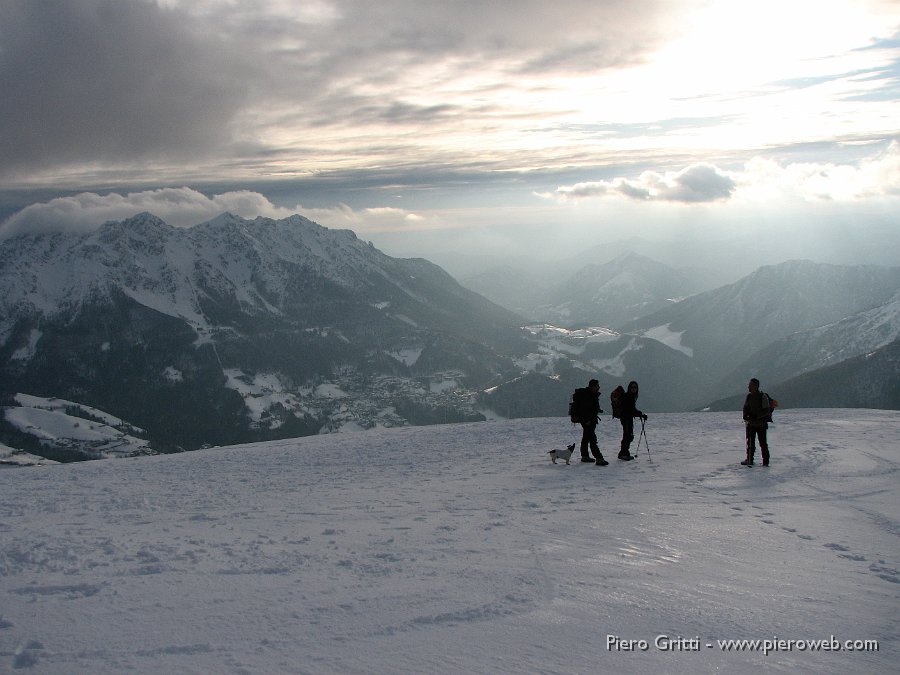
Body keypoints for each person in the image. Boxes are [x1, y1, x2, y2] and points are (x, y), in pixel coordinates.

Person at [575, 379, 608, 465]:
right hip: (588, 421)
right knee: (592, 439)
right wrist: (587, 420)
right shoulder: (589, 395)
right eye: (597, 386)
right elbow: (585, 409)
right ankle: (599, 458)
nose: (598, 387)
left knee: (586, 438)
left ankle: (585, 456)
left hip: (588, 420)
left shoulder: (589, 395)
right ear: (593, 386)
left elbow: (589, 408)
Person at [742, 378, 770, 467]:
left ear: (756, 386)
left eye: (750, 385)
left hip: (760, 424)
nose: (748, 387)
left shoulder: (763, 397)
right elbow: (745, 407)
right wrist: (745, 415)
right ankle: (750, 459)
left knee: (762, 443)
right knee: (750, 442)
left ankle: (765, 461)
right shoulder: (749, 396)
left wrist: (756, 416)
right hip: (751, 424)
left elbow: (766, 410)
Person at [617, 380, 647, 461]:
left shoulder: (630, 396)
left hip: (627, 418)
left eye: (635, 387)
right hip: (626, 419)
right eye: (632, 387)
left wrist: (640, 414)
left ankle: (624, 453)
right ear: (629, 388)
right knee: (628, 436)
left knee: (628, 435)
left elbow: (632, 410)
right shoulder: (629, 397)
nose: (634, 389)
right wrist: (641, 414)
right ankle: (623, 453)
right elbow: (631, 410)